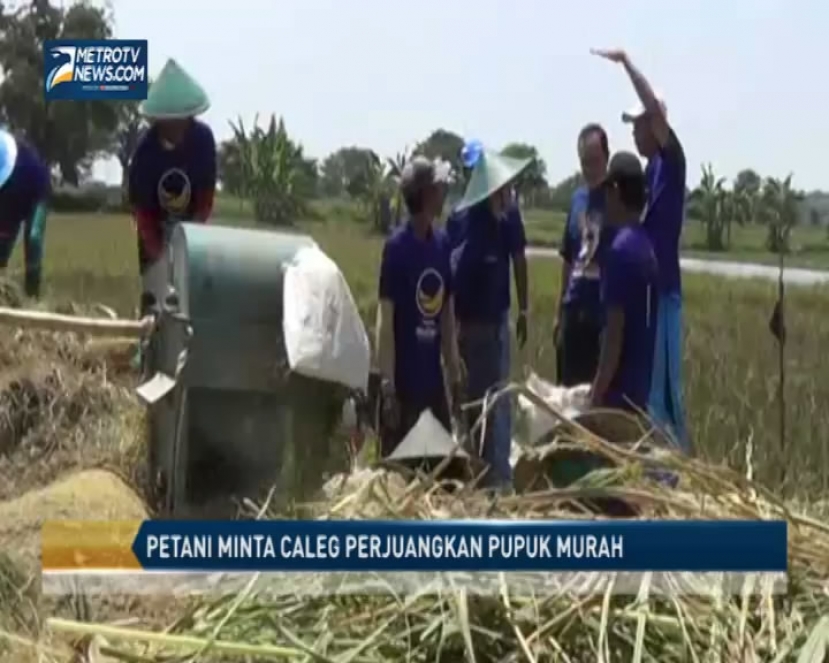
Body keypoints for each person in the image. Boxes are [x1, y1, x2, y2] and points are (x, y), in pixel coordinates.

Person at [592, 48, 689, 451]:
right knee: (645, 388)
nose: (633, 132)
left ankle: (679, 465)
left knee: (665, 391)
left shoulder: (673, 160)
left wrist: (627, 64)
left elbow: (652, 106)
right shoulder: (648, 171)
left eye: (638, 125)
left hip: (664, 289)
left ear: (656, 126)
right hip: (648, 283)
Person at [450, 149, 531, 488]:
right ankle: (470, 473)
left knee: (494, 405)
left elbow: (519, 260)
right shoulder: (460, 218)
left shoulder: (508, 217)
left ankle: (495, 478)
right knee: (465, 403)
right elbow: (449, 273)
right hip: (462, 326)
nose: (506, 193)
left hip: (493, 324)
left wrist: (524, 308)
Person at [375, 156, 463, 457]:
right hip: (404, 386)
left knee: (444, 472)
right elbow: (385, 320)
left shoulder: (442, 244)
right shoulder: (397, 248)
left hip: (433, 384)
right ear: (426, 195)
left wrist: (454, 374)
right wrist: (387, 387)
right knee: (398, 476)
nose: (445, 192)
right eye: (439, 187)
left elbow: (447, 316)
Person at [128, 58, 216, 316]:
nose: (177, 129)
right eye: (171, 123)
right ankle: (148, 350)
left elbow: (205, 199)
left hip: (191, 230)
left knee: (190, 302)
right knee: (154, 301)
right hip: (154, 230)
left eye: (183, 121)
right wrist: (161, 258)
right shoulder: (145, 154)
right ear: (159, 121)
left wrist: (189, 244)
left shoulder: (202, 141)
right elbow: (142, 214)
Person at [590, 151, 659, 413]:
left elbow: (614, 337)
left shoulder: (619, 251)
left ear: (616, 192)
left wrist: (596, 395)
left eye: (607, 192)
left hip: (617, 398)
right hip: (639, 395)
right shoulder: (646, 247)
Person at [555, 124, 610, 387]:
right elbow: (568, 259)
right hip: (573, 310)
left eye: (594, 161)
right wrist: (559, 312)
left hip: (601, 316)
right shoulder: (578, 198)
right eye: (584, 162)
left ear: (606, 158)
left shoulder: (616, 199)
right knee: (566, 395)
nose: (589, 168)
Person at [0, 129, 50, 299]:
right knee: (2, 243)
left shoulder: (9, 151)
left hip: (37, 194)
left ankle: (32, 294)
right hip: (10, 199)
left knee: (34, 238)